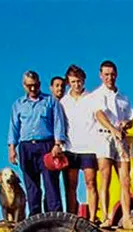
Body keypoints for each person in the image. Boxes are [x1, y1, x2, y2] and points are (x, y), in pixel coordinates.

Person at [6, 70, 66, 217]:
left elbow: (58, 123)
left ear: (39, 84)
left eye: (35, 85)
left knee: (50, 183)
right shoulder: (18, 104)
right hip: (26, 146)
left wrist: (57, 144)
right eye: (29, 86)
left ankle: (54, 216)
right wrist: (12, 148)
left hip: (47, 146)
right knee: (31, 185)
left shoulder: (50, 101)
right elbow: (14, 127)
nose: (32, 89)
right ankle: (35, 216)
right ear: (24, 85)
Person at [89, 60, 133, 229]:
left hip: (121, 139)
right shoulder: (97, 94)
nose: (110, 77)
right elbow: (99, 115)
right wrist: (112, 128)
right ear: (101, 76)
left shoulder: (124, 98)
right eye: (106, 74)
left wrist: (125, 124)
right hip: (104, 138)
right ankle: (107, 217)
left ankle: (127, 218)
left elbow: (131, 118)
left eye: (112, 74)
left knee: (125, 179)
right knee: (105, 178)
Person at [59, 64, 99, 219]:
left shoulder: (92, 98)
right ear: (69, 82)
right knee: (71, 185)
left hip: (89, 147)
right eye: (73, 81)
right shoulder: (63, 101)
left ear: (84, 80)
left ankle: (93, 216)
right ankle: (71, 216)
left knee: (91, 183)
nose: (77, 84)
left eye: (79, 81)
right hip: (70, 148)